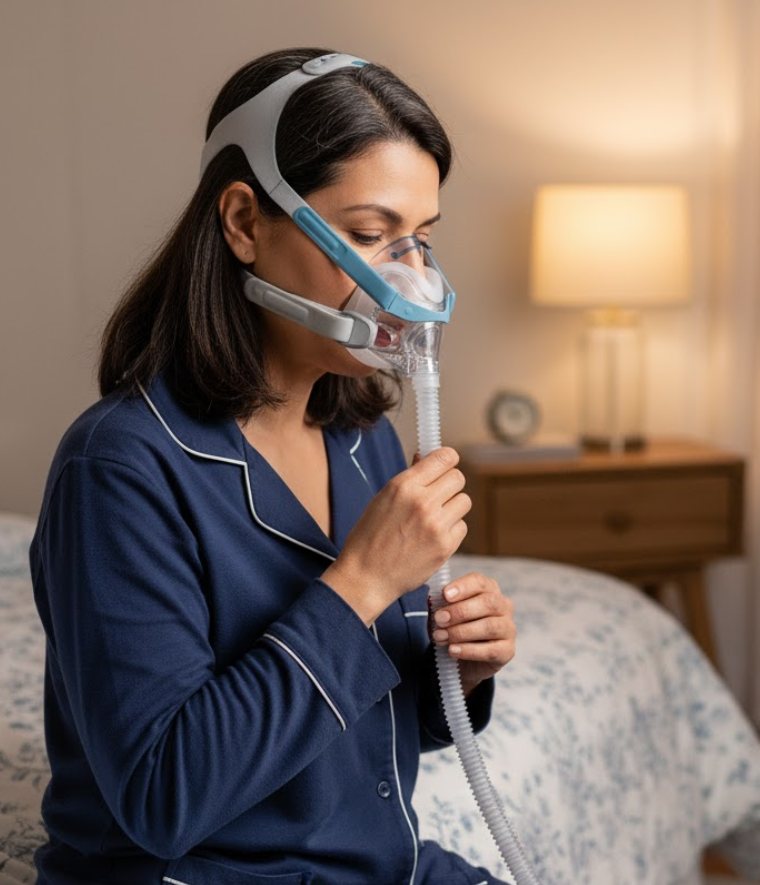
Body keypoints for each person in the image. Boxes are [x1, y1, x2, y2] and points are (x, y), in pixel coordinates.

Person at [29, 47, 517, 885]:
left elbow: (355, 727)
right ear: (246, 223)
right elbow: (164, 795)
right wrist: (359, 582)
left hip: (374, 864)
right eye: (369, 236)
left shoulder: (363, 438)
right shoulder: (120, 467)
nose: (411, 281)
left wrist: (458, 672)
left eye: (419, 240)